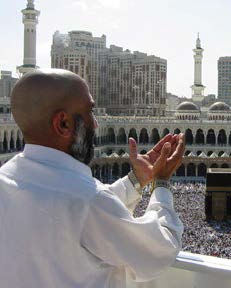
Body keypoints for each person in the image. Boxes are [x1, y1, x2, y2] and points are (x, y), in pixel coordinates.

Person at [0, 69, 185, 287]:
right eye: (90, 111)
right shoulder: (87, 202)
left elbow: (72, 217)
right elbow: (158, 251)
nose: (96, 124)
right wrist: (161, 182)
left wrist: (136, 180)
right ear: (63, 124)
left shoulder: (6, 179)